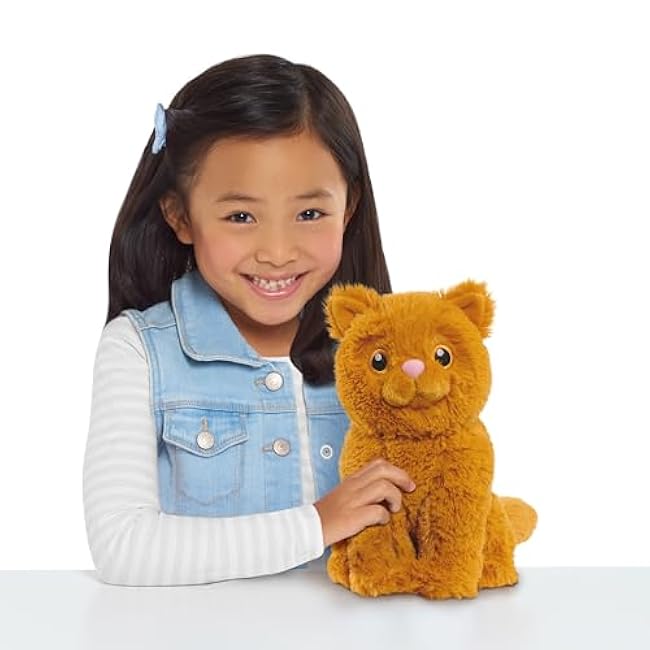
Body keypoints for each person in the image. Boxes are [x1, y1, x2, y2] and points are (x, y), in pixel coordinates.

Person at [82, 53, 416, 587]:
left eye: (310, 213)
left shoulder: (387, 357)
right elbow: (123, 548)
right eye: (240, 216)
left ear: (349, 207)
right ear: (180, 215)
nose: (277, 252)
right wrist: (317, 524)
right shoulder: (138, 351)